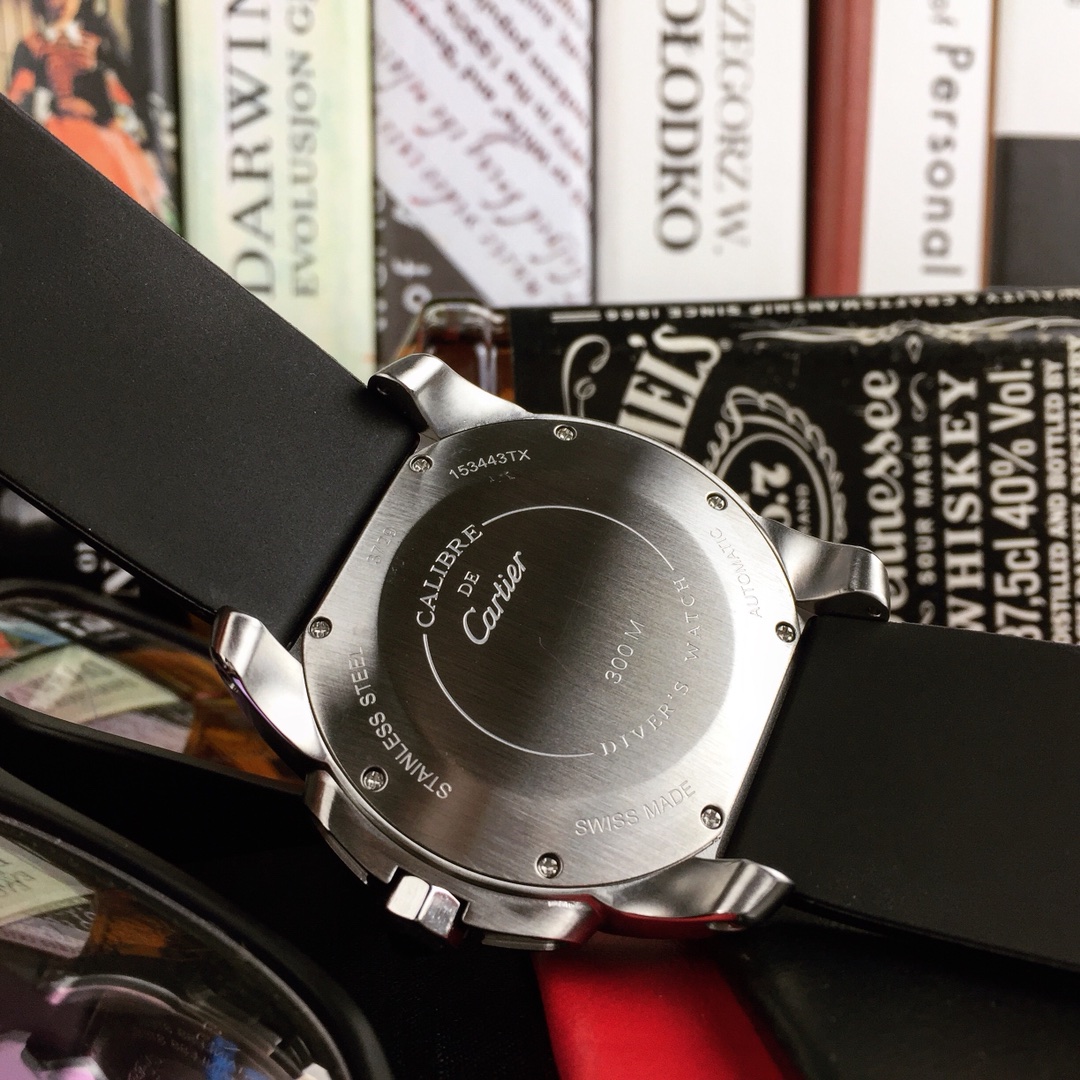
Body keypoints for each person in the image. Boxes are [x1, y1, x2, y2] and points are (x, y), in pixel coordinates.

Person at [5, 0, 172, 222]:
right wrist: (55, 102)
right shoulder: (32, 45)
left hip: (105, 131)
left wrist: (97, 74)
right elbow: (18, 101)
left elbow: (125, 98)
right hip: (56, 131)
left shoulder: (98, 42)